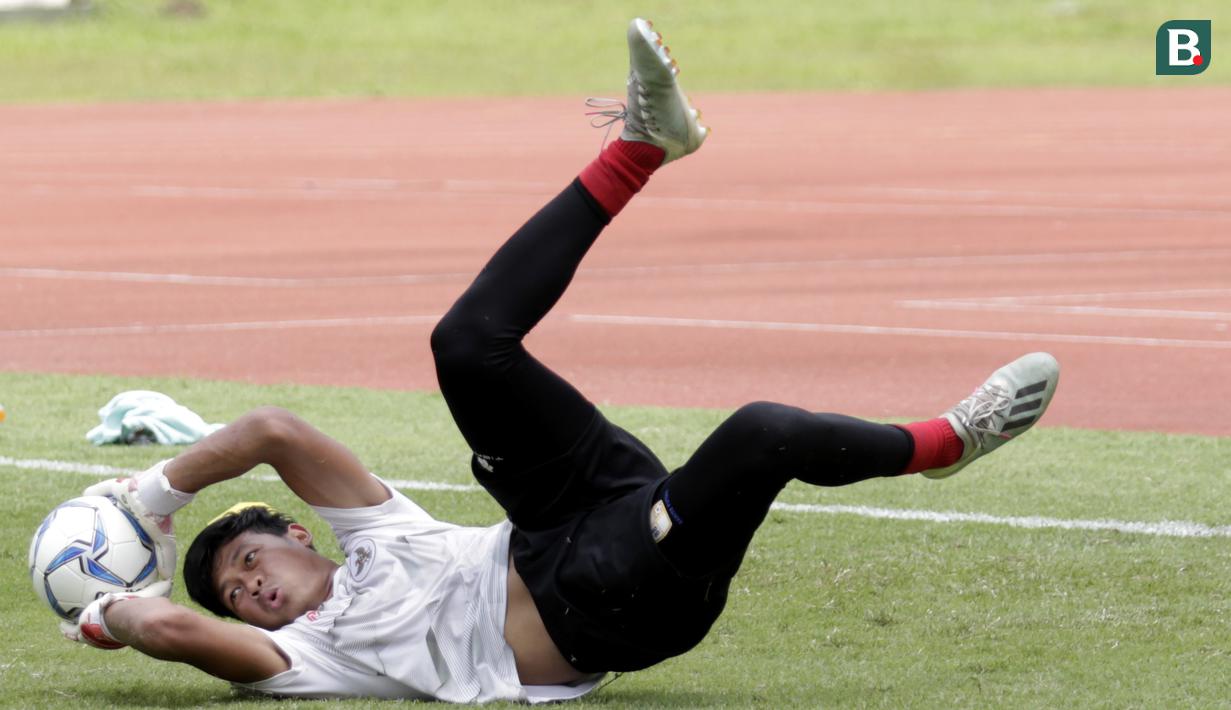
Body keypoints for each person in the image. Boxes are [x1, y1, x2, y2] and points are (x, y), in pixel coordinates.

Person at [59, 17, 1060, 704]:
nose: (251, 590)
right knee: (762, 432)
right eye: (236, 595)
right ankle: (947, 441)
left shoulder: (378, 537)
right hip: (609, 600)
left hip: (564, 517)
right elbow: (176, 632)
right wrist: (106, 608)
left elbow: (272, 431)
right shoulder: (304, 658)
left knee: (465, 347)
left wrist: (151, 496)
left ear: (294, 529)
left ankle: (642, 147)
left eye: (248, 562)